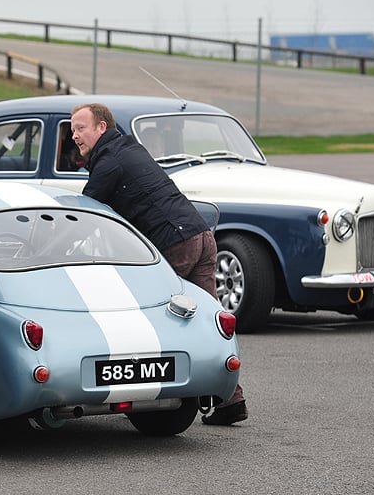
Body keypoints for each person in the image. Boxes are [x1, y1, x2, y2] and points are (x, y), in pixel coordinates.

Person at [70, 102, 248, 426]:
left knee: (150, 316)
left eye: (81, 128)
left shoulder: (108, 162)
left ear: (101, 128)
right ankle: (230, 401)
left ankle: (142, 392)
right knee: (208, 319)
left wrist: (64, 248)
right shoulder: (128, 149)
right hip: (201, 235)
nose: (74, 136)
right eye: (71, 130)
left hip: (175, 243)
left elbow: (85, 215)